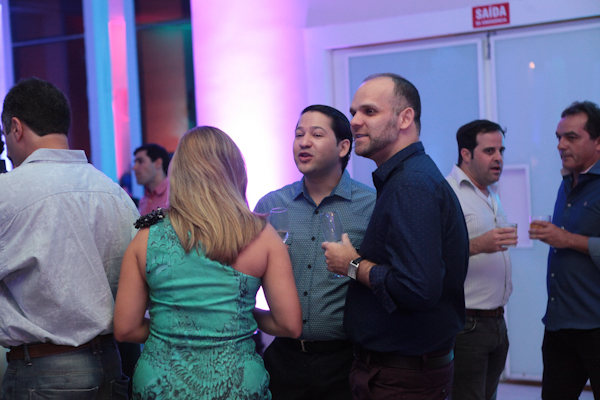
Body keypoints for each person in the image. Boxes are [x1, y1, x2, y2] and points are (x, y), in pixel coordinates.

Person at [114, 126, 303, 399]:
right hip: (236, 386)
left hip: (162, 386)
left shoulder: (146, 237)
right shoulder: (263, 236)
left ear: (178, 172)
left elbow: (125, 329)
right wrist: (239, 317)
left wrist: (176, 330)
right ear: (235, 171)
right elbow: (289, 325)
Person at [322, 73, 469, 399]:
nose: (355, 122)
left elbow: (418, 288)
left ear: (405, 118)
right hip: (404, 371)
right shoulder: (407, 178)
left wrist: (352, 264)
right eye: (354, 112)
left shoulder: (410, 185)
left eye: (370, 111)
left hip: (401, 377)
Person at [0, 77, 138, 399]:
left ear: (16, 128)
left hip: (42, 371)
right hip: (111, 363)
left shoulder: (7, 193)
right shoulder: (115, 194)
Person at [254, 105, 376, 399]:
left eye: (316, 135)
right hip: (283, 358)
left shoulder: (371, 205)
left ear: (343, 147)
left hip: (347, 360)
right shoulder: (271, 205)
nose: (304, 142)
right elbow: (245, 276)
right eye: (299, 134)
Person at [529, 101, 600, 400]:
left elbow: (569, 240)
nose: (560, 145)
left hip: (595, 325)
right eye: (558, 137)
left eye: (571, 137)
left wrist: (567, 239)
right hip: (559, 324)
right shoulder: (567, 182)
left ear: (598, 142)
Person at [445, 120, 517, 400]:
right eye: (489, 151)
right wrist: (478, 245)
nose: (498, 158)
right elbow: (434, 254)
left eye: (501, 150)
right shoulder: (448, 193)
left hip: (497, 321)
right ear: (466, 154)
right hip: (467, 325)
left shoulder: (491, 192)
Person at [133, 143, 170, 214]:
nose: (134, 167)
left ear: (158, 163)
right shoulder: (143, 201)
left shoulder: (174, 194)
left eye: (140, 161)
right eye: (135, 162)